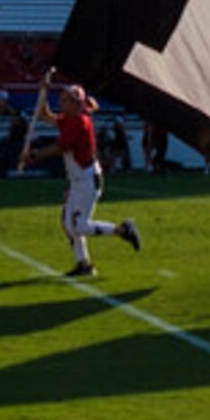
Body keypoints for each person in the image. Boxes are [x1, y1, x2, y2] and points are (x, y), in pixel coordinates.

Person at [23, 76, 137, 276]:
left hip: (87, 178)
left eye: (64, 100)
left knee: (80, 225)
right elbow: (45, 115)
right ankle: (83, 264)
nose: (61, 103)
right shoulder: (69, 119)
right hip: (78, 179)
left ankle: (122, 230)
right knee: (68, 224)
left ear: (75, 103)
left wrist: (34, 155)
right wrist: (44, 93)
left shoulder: (79, 122)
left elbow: (61, 147)